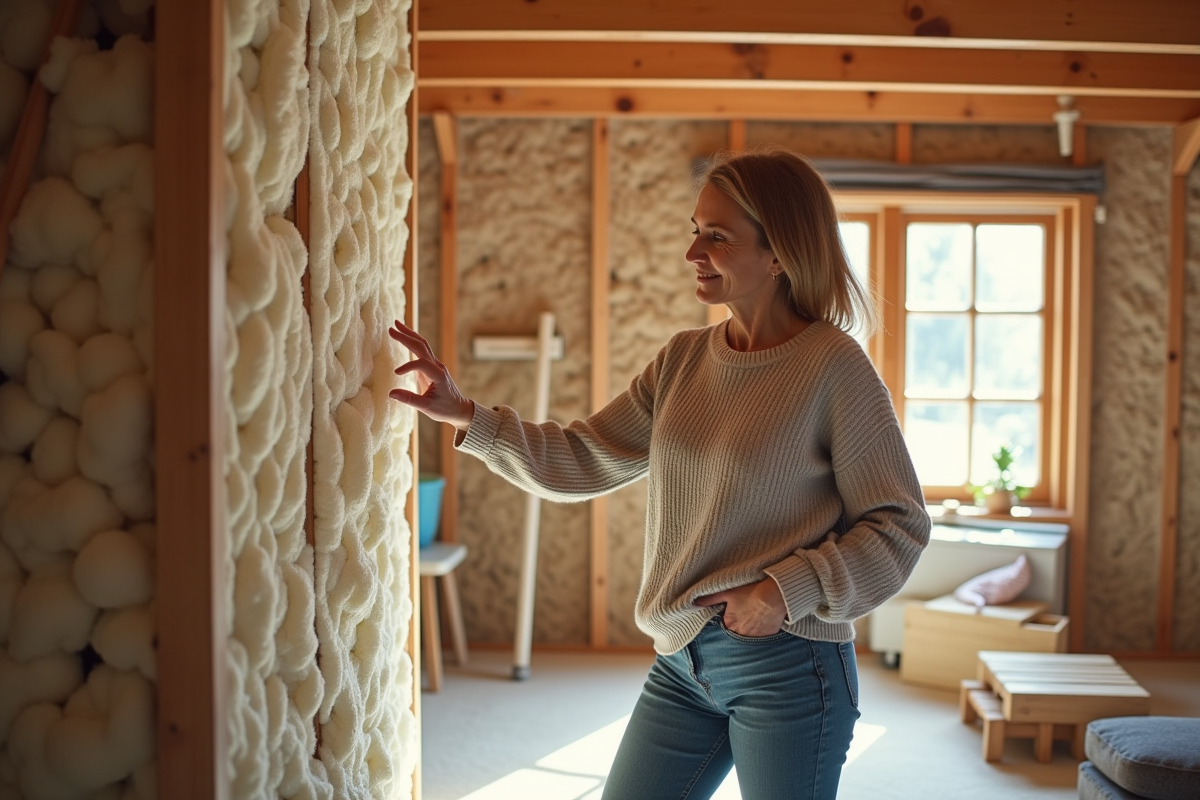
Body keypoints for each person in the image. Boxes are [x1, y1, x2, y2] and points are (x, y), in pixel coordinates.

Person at [389, 145, 931, 800]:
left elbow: (899, 524)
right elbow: (584, 456)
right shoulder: (682, 359)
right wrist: (466, 415)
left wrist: (781, 592)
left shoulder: (834, 367)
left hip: (789, 666)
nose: (692, 252)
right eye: (695, 231)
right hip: (682, 660)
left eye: (717, 237)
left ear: (779, 253)